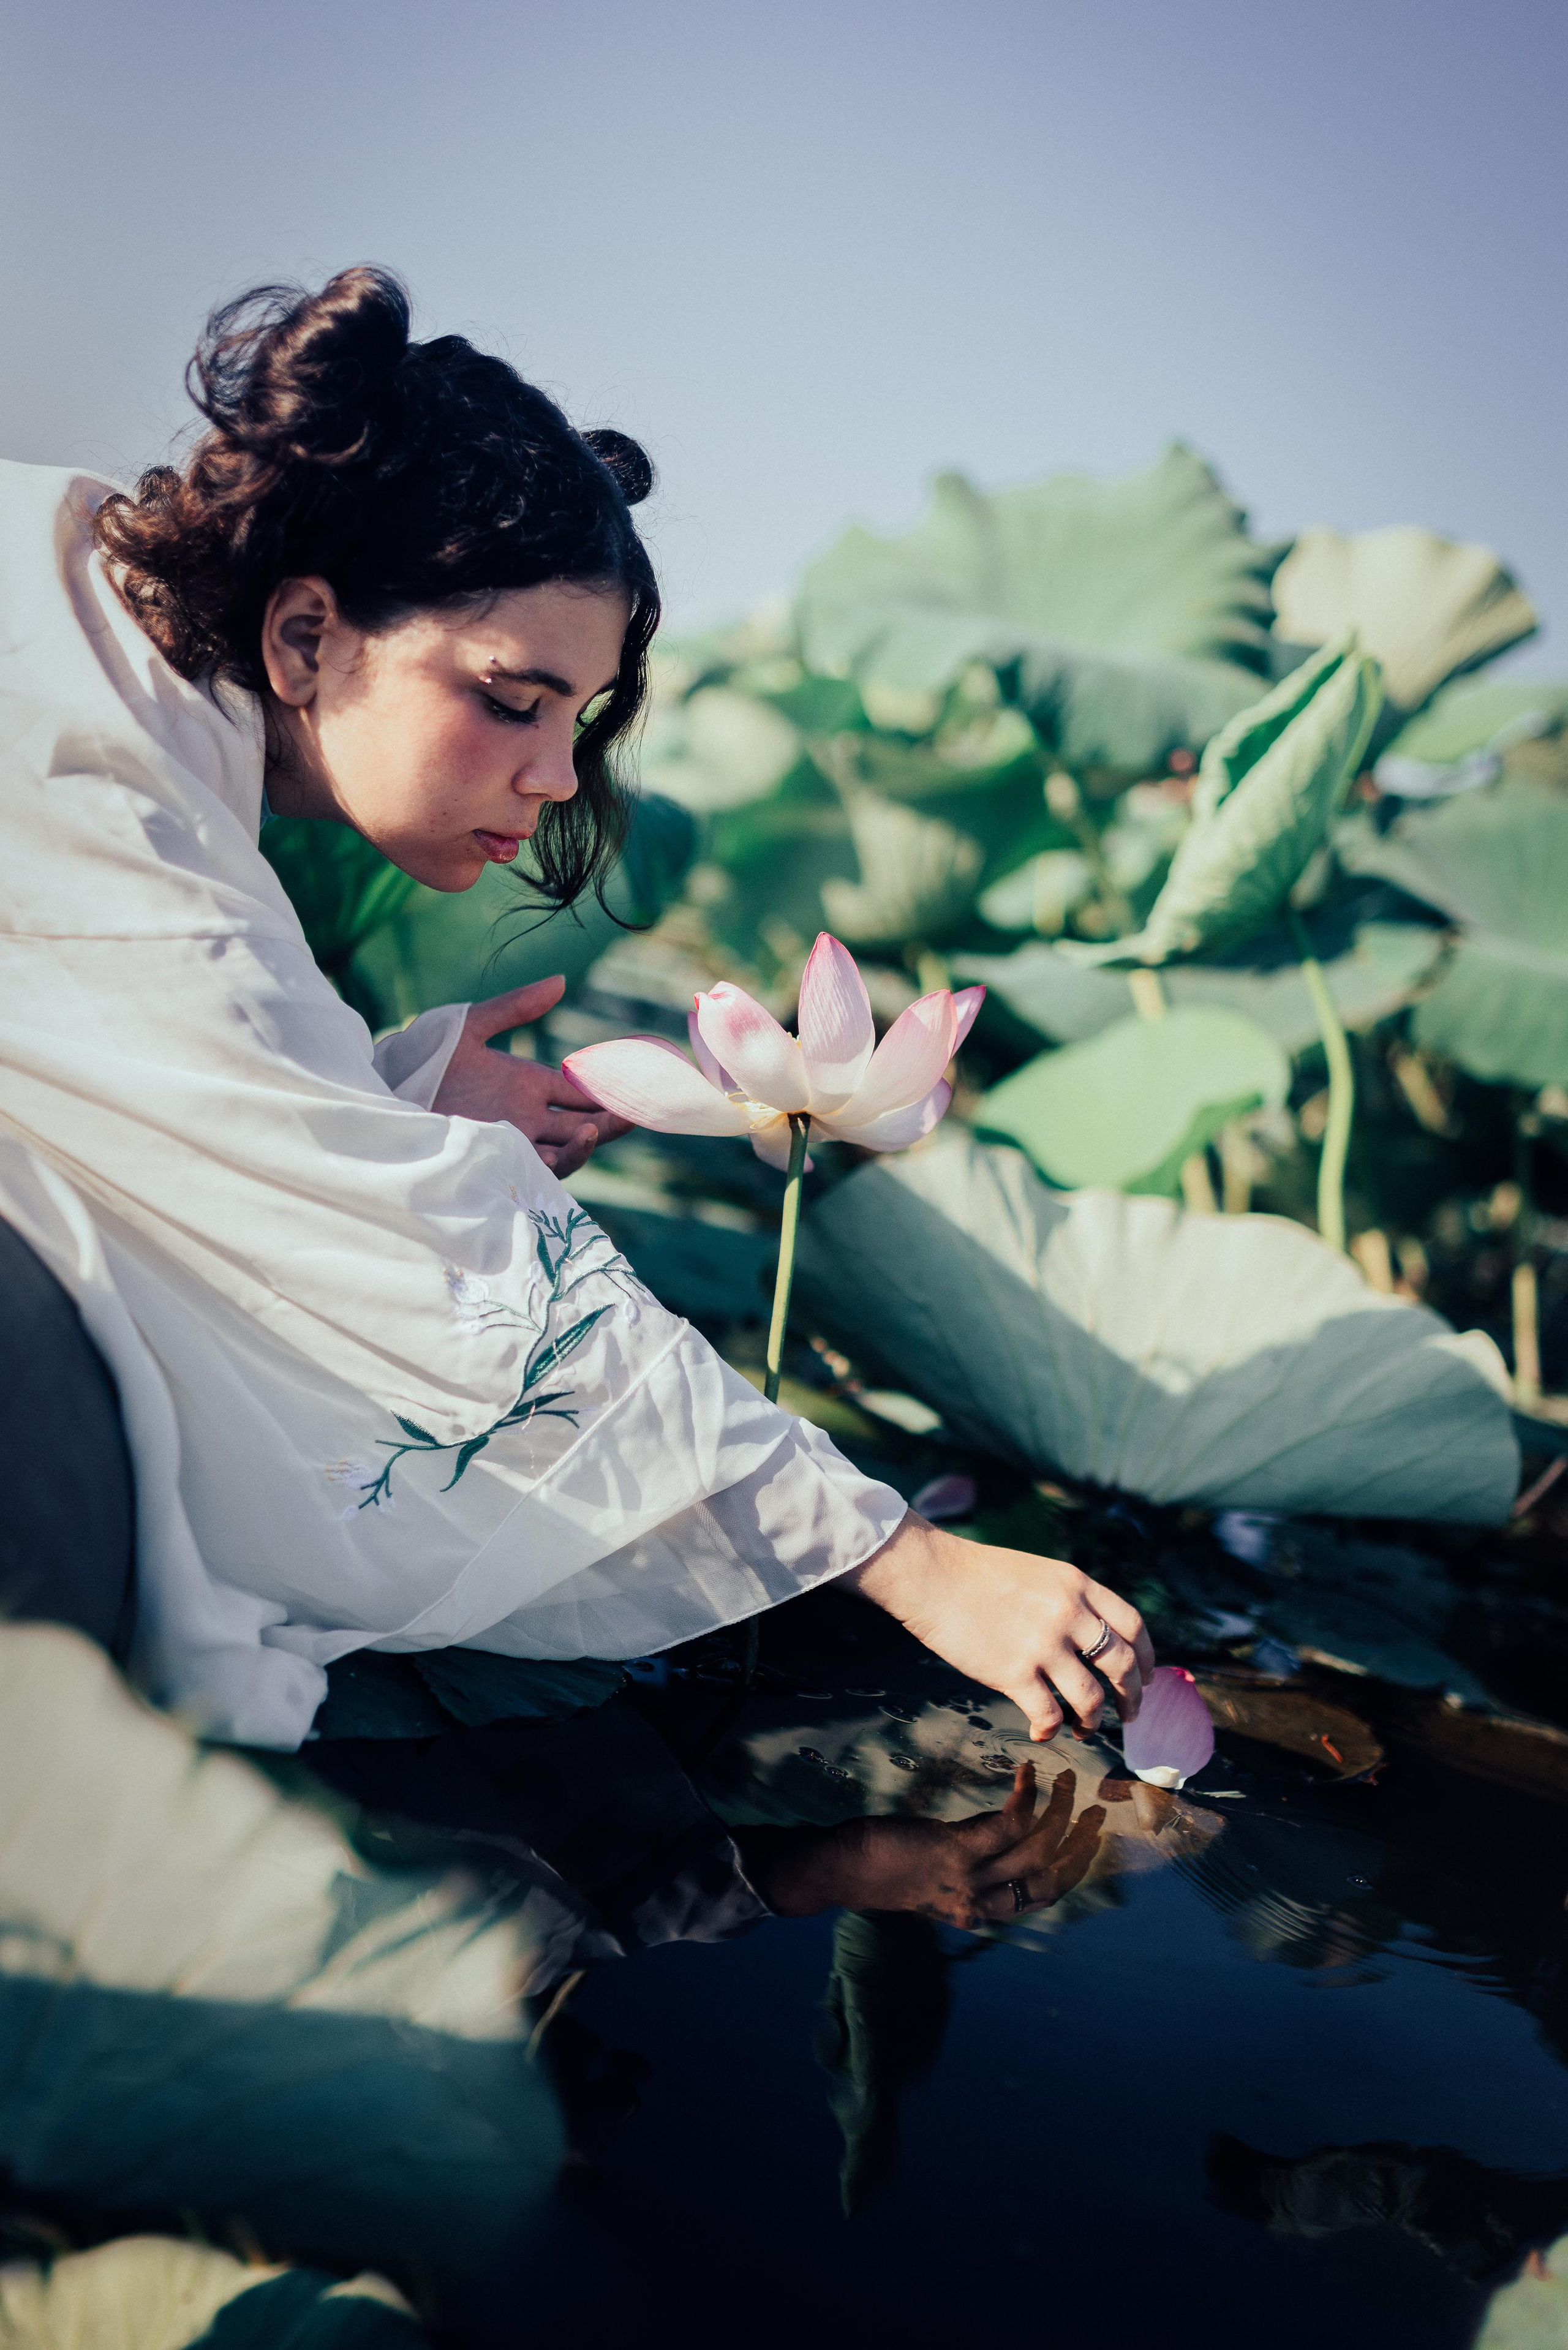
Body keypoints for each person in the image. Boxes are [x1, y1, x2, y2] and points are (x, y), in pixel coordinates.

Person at [0, 265, 1152, 1749]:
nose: (553, 778)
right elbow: (424, 1248)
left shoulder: (77, 595)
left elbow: (153, 1054)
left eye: (578, 721)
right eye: (509, 696)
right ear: (303, 637)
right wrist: (901, 1556)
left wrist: (386, 1088)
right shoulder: (111, 790)